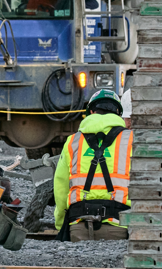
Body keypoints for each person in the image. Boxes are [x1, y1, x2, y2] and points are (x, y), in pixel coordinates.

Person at [53, 88, 133, 241]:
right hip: (119, 226)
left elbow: (60, 187)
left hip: (78, 225)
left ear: (91, 112)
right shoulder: (131, 140)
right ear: (118, 113)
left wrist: (61, 224)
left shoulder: (72, 142)